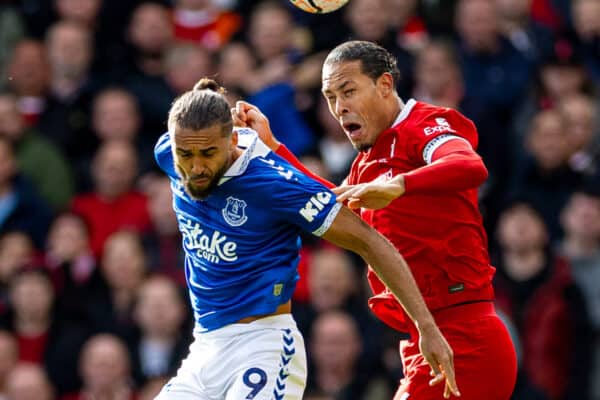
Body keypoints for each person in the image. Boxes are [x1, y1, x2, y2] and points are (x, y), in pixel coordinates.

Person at [232, 40, 517, 400]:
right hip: (426, 339)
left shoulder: (424, 124)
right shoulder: (369, 162)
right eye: (330, 96)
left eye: (348, 91)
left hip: (465, 339)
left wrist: (400, 185)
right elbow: (330, 204)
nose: (339, 107)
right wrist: (273, 147)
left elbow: (469, 165)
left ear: (384, 85)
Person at [153, 78, 458, 400]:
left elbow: (370, 241)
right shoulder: (170, 150)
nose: (196, 167)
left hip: (261, 349)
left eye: (208, 153)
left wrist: (426, 326)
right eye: (185, 154)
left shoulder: (274, 183)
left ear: (231, 141)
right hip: (204, 350)